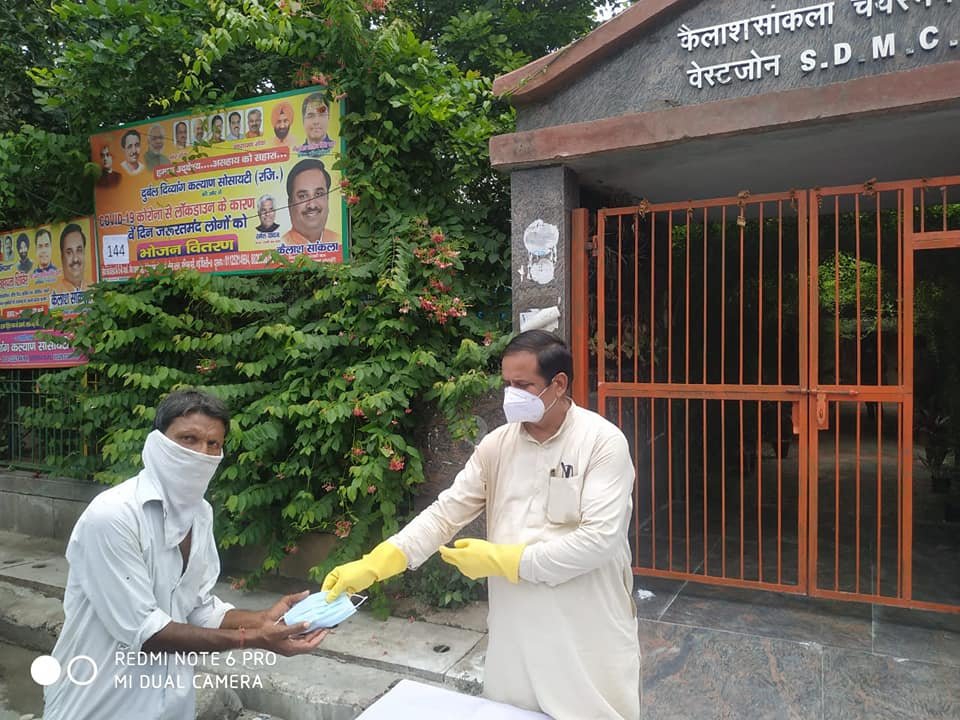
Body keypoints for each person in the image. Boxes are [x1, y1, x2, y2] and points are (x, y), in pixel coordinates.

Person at [323, 331, 641, 720]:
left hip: (585, 628)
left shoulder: (601, 442)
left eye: (524, 385)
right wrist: (378, 562)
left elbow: (599, 542)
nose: (512, 395)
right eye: (507, 384)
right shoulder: (497, 445)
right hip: (516, 631)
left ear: (559, 384)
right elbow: (446, 513)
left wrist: (502, 560)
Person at [43, 390, 327, 720]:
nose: (200, 454)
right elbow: (146, 632)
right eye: (187, 439)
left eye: (213, 445)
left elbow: (197, 608)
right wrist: (254, 638)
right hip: (97, 704)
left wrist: (265, 619)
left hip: (169, 706)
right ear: (157, 442)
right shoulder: (113, 516)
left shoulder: (200, 514)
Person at [280, 158, 340, 246]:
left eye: (319, 194)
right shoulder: (280, 246)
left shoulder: (338, 241)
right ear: (290, 204)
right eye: (303, 196)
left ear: (328, 198)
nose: (312, 205)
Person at [294, 91, 335, 157]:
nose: (316, 121)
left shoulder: (335, 148)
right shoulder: (297, 153)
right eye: (310, 116)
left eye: (322, 115)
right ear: (303, 120)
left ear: (328, 117)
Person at [52, 224, 87, 293]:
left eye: (79, 250)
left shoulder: (94, 289)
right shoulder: (55, 293)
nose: (75, 259)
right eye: (69, 252)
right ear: (62, 257)